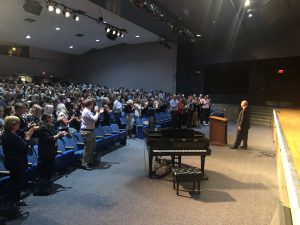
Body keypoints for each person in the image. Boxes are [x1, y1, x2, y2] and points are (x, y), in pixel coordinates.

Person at [1, 116, 37, 207]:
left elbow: (20, 139)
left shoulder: (9, 133)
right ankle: (11, 202)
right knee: (15, 183)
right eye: (17, 123)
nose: (19, 125)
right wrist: (28, 137)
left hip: (14, 161)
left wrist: (28, 131)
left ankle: (15, 200)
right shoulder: (11, 136)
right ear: (13, 125)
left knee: (16, 182)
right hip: (15, 162)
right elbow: (24, 148)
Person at [36, 114, 67, 194]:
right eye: (51, 117)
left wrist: (61, 134)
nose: (53, 118)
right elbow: (49, 139)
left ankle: (47, 185)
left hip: (51, 151)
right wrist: (58, 135)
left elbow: (54, 136)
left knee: (50, 169)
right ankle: (43, 187)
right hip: (45, 152)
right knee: (46, 169)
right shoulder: (43, 128)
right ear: (47, 118)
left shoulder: (51, 126)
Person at [80, 99, 102, 170]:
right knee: (88, 149)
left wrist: (97, 113)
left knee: (92, 148)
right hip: (87, 132)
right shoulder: (86, 111)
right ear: (90, 104)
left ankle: (89, 161)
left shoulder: (88, 111)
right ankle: (85, 164)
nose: (93, 105)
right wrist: (97, 113)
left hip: (90, 131)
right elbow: (94, 119)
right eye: (92, 104)